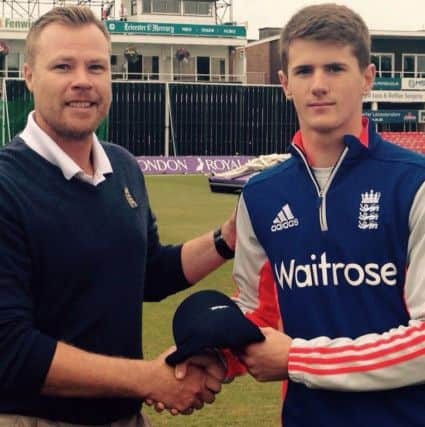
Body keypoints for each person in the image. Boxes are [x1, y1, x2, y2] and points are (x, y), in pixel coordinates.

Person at [0, 6, 236, 426]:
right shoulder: (6, 183)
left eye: (96, 66)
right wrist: (148, 378)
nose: (82, 81)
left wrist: (229, 238)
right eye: (63, 66)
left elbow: (147, 273)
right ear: (30, 75)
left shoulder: (123, 166)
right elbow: (11, 349)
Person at [230, 3, 425, 426]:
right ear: (285, 84)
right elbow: (257, 314)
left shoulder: (414, 183)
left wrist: (300, 359)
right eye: (304, 71)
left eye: (335, 68)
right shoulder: (260, 196)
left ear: (367, 78)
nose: (319, 85)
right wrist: (208, 354)